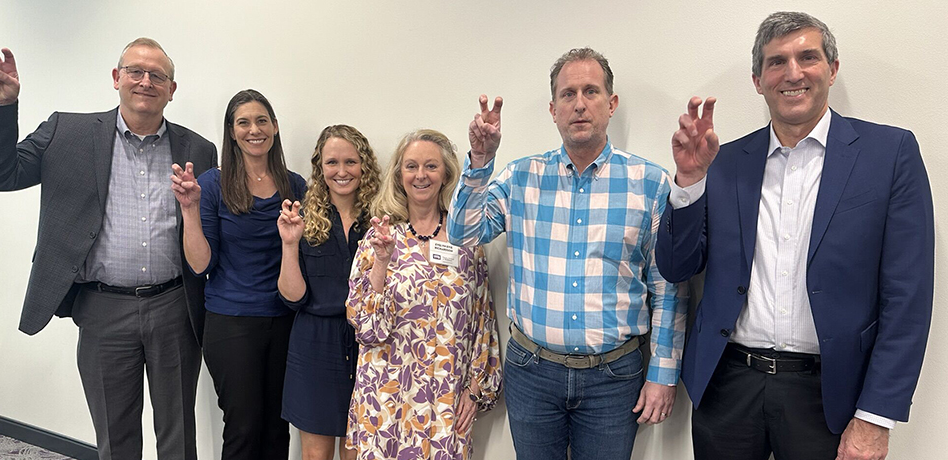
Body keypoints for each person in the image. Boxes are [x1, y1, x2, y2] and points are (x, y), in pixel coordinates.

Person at [656, 11, 934, 460]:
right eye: (776, 62)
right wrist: (688, 183)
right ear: (757, 79)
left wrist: (876, 416)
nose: (793, 73)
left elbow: (908, 298)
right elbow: (676, 266)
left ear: (832, 68)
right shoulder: (722, 160)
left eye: (808, 57)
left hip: (831, 395)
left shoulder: (890, 154)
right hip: (729, 387)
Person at [0, 39, 216, 460]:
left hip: (175, 307)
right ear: (116, 78)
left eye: (157, 75)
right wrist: (0, 106)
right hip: (103, 310)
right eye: (135, 71)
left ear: (172, 89)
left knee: (178, 437)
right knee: (115, 438)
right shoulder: (67, 132)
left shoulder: (199, 149)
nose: (145, 81)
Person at [448, 48, 686, 460]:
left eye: (591, 91)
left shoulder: (650, 182)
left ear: (611, 104)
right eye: (568, 93)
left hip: (615, 377)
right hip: (532, 372)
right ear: (553, 109)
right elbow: (464, 234)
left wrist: (663, 372)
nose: (579, 103)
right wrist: (481, 161)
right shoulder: (520, 177)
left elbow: (668, 286)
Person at [345, 129, 501, 460]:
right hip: (385, 399)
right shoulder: (380, 238)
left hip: (445, 398)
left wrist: (475, 391)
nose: (421, 175)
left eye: (431, 166)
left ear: (445, 175)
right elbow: (367, 328)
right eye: (411, 166)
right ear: (399, 175)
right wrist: (382, 262)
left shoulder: (466, 243)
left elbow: (482, 322)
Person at [171, 89, 305, 460]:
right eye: (243, 122)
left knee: (278, 427)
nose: (254, 130)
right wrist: (190, 210)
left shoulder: (296, 186)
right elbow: (200, 265)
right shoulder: (212, 185)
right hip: (231, 322)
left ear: (275, 127)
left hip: (284, 321)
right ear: (231, 132)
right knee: (243, 428)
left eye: (262, 120)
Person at [276, 125, 381, 460]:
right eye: (332, 162)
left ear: (364, 165)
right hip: (315, 346)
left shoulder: (381, 219)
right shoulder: (302, 217)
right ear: (320, 168)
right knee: (316, 455)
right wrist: (290, 245)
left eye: (351, 161)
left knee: (358, 453)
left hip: (368, 347)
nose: (341, 171)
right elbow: (293, 298)